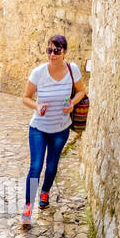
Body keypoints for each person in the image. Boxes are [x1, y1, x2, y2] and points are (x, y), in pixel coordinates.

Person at [21, 33, 86, 226]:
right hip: (38, 128)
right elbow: (25, 97)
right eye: (49, 50)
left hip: (60, 128)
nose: (52, 55)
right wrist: (36, 107)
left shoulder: (72, 69)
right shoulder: (38, 73)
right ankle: (27, 208)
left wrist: (72, 104)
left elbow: (82, 90)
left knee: (51, 165)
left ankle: (45, 192)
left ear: (64, 52)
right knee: (35, 166)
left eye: (56, 51)